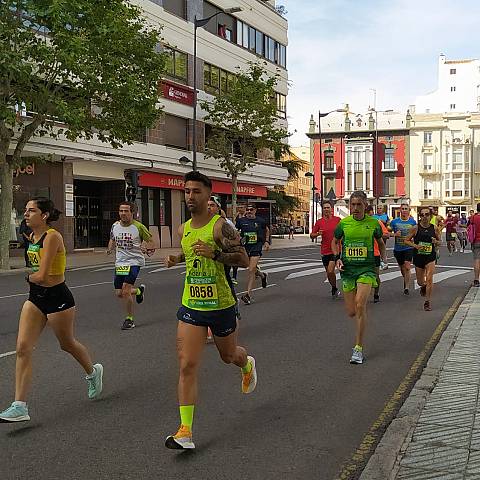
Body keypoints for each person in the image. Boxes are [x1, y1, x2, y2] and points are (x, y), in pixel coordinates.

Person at [164, 171, 256, 450]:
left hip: (221, 305)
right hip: (192, 305)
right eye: (187, 191)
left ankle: (247, 364)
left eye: (196, 192)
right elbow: (192, 252)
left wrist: (216, 254)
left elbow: (242, 259)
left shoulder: (220, 227)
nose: (190, 197)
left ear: (208, 195)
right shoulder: (183, 229)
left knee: (229, 356)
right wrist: (176, 257)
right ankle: (185, 431)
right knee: (186, 364)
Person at [0, 198, 103, 423]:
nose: (26, 214)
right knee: (22, 348)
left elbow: (43, 275)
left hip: (58, 297)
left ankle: (93, 372)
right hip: (36, 297)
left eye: (31, 211)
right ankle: (19, 406)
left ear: (44, 215)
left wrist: (29, 276)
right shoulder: (32, 237)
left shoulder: (53, 236)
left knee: (66, 344)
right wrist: (33, 276)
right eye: (25, 210)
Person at [332, 191, 386, 365]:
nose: (355, 208)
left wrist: (383, 260)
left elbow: (381, 243)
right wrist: (337, 257)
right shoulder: (344, 224)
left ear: (365, 205)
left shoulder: (374, 224)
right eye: (352, 205)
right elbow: (335, 241)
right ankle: (359, 317)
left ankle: (358, 348)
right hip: (347, 270)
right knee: (351, 311)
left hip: (367, 269)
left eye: (359, 205)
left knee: (360, 304)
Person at [107, 201, 155, 330]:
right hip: (121, 262)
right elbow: (112, 239)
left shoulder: (138, 227)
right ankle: (139, 291)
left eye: (126, 211)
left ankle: (129, 319)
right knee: (119, 293)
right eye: (121, 211)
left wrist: (148, 248)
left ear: (132, 213)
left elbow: (150, 241)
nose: (123, 213)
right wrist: (109, 248)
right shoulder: (115, 226)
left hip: (134, 262)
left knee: (126, 290)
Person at [404, 207, 440, 311]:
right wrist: (415, 246)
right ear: (420, 216)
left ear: (430, 216)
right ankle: (423, 286)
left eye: (427, 214)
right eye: (422, 215)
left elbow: (439, 242)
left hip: (430, 256)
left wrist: (435, 242)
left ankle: (427, 302)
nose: (424, 217)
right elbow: (406, 240)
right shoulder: (415, 228)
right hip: (419, 257)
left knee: (429, 279)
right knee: (420, 282)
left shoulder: (435, 228)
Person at [236, 204, 270, 305]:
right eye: (248, 209)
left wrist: (267, 241)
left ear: (255, 210)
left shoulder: (260, 221)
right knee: (251, 268)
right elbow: (236, 231)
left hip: (256, 247)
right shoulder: (241, 221)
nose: (249, 211)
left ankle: (248, 295)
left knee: (251, 270)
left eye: (251, 209)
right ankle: (262, 275)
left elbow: (267, 230)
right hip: (245, 248)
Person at [310, 200, 341, 298]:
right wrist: (317, 234)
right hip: (325, 250)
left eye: (328, 207)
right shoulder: (319, 222)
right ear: (322, 210)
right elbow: (311, 236)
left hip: (335, 249)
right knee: (328, 272)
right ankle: (334, 288)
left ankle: (337, 287)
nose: (326, 209)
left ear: (331, 209)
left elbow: (343, 233)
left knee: (331, 270)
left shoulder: (338, 220)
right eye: (325, 208)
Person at [390, 203, 417, 294]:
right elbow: (386, 232)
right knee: (402, 268)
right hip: (398, 249)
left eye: (406, 209)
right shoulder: (394, 222)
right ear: (400, 210)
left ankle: (407, 287)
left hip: (408, 247)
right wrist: (394, 234)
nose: (404, 210)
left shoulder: (413, 222)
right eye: (403, 209)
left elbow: (415, 233)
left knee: (407, 266)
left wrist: (414, 238)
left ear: (409, 211)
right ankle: (405, 279)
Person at [366, 204, 390, 303]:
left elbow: (387, 235)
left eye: (368, 212)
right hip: (361, 255)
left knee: (376, 276)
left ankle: (376, 293)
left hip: (375, 253)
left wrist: (377, 235)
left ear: (371, 212)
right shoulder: (356, 223)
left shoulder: (377, 222)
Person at [470, 203, 480, 287]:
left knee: (477, 260)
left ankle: (476, 280)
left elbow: (469, 228)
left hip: (476, 240)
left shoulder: (473, 217)